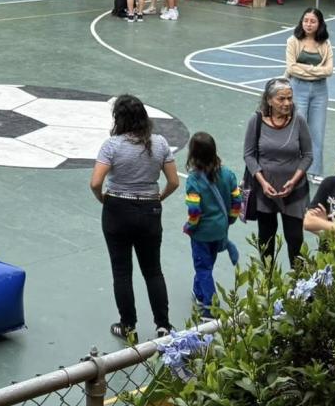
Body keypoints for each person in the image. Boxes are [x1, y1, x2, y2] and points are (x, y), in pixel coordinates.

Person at [91, 94, 179, 341]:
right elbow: (173, 181)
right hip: (149, 210)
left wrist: (103, 199)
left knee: (122, 272)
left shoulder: (112, 146)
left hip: (117, 210)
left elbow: (96, 182)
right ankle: (163, 325)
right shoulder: (160, 143)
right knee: (153, 271)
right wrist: (158, 197)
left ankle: (128, 325)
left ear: (118, 119)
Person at [243, 78, 313, 270]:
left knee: (295, 240)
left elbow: (308, 155)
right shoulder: (256, 121)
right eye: (281, 99)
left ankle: (298, 282)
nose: (287, 103)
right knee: (266, 239)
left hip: (294, 191)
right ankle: (268, 281)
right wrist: (263, 183)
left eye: (289, 98)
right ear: (269, 100)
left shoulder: (299, 120)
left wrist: (294, 181)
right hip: (266, 192)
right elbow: (249, 155)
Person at [182, 132, 242, 318]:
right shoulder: (228, 174)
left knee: (203, 268)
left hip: (202, 234)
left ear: (193, 155)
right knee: (207, 265)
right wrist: (229, 221)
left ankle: (210, 307)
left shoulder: (193, 180)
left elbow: (194, 211)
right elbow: (237, 202)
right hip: (220, 230)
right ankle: (199, 293)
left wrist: (189, 227)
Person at [287, 8, 335, 179]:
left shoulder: (325, 44)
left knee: (317, 131)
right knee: (297, 129)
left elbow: (329, 70)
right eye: (305, 20)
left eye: (313, 21)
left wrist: (304, 68)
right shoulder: (293, 41)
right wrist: (316, 70)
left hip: (320, 91)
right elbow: (291, 68)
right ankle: (294, 168)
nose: (308, 24)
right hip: (297, 88)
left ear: (319, 24)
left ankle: (315, 171)